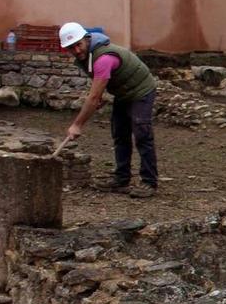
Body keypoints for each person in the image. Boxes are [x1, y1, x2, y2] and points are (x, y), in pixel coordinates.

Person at [59, 22, 159, 198]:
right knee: (120, 132)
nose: (76, 51)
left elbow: (93, 97)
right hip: (123, 92)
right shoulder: (88, 56)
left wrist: (77, 125)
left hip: (141, 89)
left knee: (142, 133)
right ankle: (121, 178)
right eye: (70, 48)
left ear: (86, 39)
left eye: (78, 45)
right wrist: (101, 95)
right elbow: (99, 86)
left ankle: (149, 182)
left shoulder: (103, 58)